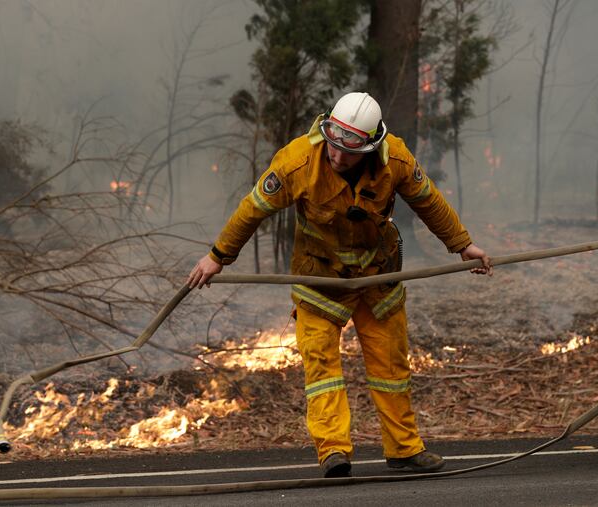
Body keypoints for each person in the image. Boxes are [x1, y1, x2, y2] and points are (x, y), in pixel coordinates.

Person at [188, 92, 492, 478]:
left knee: (391, 367)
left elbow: (428, 201)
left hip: (378, 278)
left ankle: (403, 450)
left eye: (348, 150)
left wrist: (462, 245)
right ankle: (333, 452)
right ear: (326, 130)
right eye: (332, 143)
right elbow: (252, 210)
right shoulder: (297, 162)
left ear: (370, 146)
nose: (337, 156)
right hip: (320, 281)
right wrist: (218, 256)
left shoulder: (394, 160)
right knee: (322, 368)